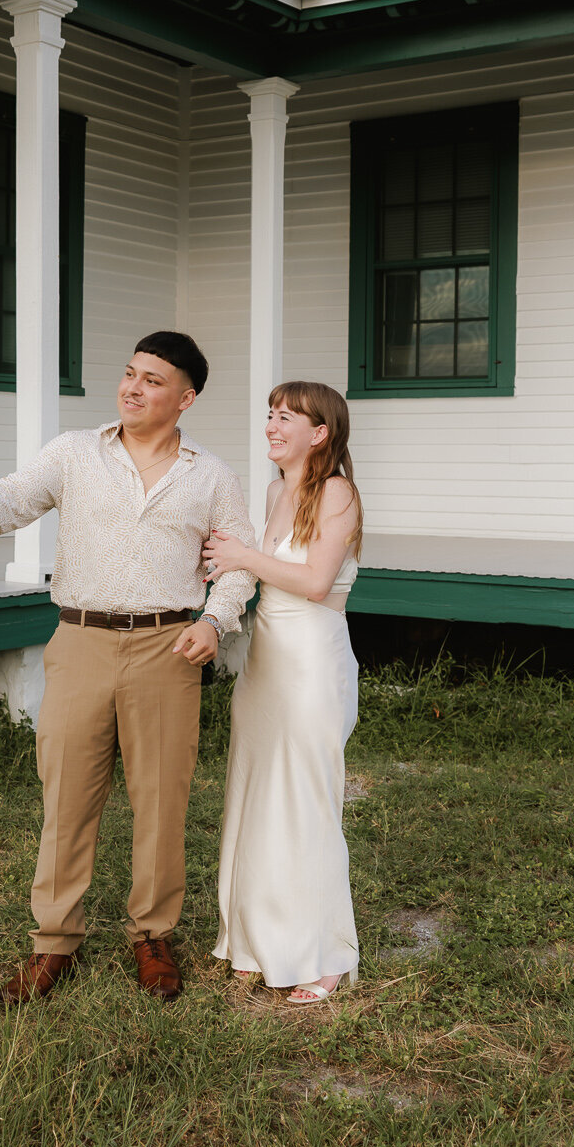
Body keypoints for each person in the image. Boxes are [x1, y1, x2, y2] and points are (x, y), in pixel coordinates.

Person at [0, 332, 257, 1007]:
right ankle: (53, 943)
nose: (133, 388)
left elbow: (238, 562)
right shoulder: (76, 452)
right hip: (79, 641)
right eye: (130, 374)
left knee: (162, 801)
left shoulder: (213, 475)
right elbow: (15, 498)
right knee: (67, 796)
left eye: (153, 380)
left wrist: (214, 622)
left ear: (185, 398)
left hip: (167, 648)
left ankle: (152, 937)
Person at [203, 381, 363, 1005]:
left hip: (312, 660)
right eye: (269, 414)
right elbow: (258, 571)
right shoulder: (274, 491)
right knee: (256, 791)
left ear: (319, 432)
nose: (271, 425)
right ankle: (254, 938)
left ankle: (320, 955)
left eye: (286, 416)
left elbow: (317, 582)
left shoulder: (338, 493)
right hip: (265, 657)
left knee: (304, 799)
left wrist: (243, 552)